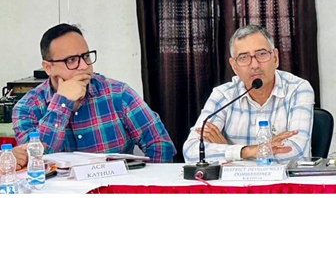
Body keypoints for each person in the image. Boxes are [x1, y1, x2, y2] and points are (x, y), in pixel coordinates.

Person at [12, 24, 175, 162]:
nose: (84, 66)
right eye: (71, 60)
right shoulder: (26, 108)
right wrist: (62, 103)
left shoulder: (118, 94)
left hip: (114, 186)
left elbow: (160, 144)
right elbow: (35, 161)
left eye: (86, 56)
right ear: (48, 68)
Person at [183, 25, 315, 163]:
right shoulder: (224, 95)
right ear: (234, 66)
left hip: (286, 177)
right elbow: (191, 152)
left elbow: (295, 152)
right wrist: (247, 151)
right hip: (235, 178)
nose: (254, 65)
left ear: (275, 58)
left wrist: (229, 153)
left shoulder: (297, 89)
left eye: (261, 54)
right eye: (243, 57)